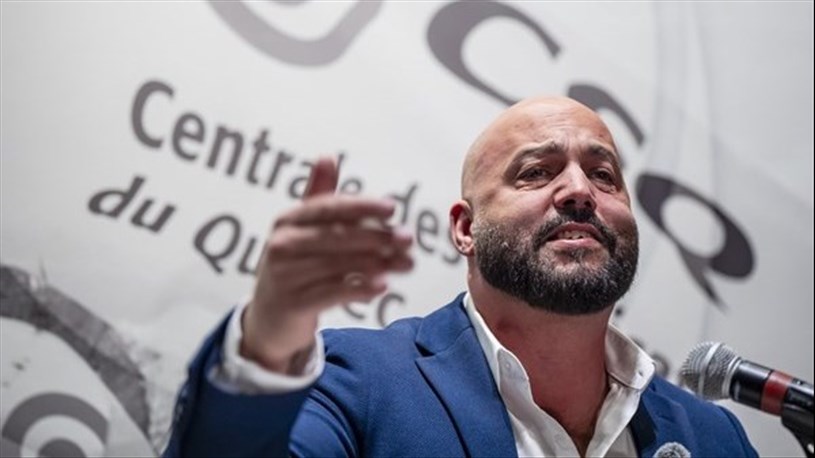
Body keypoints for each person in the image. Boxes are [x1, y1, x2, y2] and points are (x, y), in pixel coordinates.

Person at [163, 96, 757, 457]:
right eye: (536, 172)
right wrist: (266, 348)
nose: (579, 190)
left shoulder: (714, 438)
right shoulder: (356, 383)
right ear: (466, 229)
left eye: (604, 176)